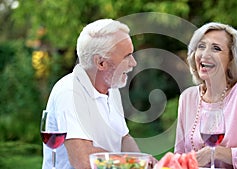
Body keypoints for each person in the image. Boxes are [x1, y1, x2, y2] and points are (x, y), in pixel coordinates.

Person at [42, 19, 155, 169]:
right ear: (101, 63)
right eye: (126, 56)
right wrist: (135, 163)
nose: (133, 62)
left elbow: (123, 138)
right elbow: (82, 160)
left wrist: (145, 161)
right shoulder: (70, 92)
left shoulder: (112, 89)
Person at [174, 22, 237, 168]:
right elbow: (179, 158)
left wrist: (216, 153)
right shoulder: (188, 97)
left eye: (216, 48)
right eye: (201, 46)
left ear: (231, 60)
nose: (205, 54)